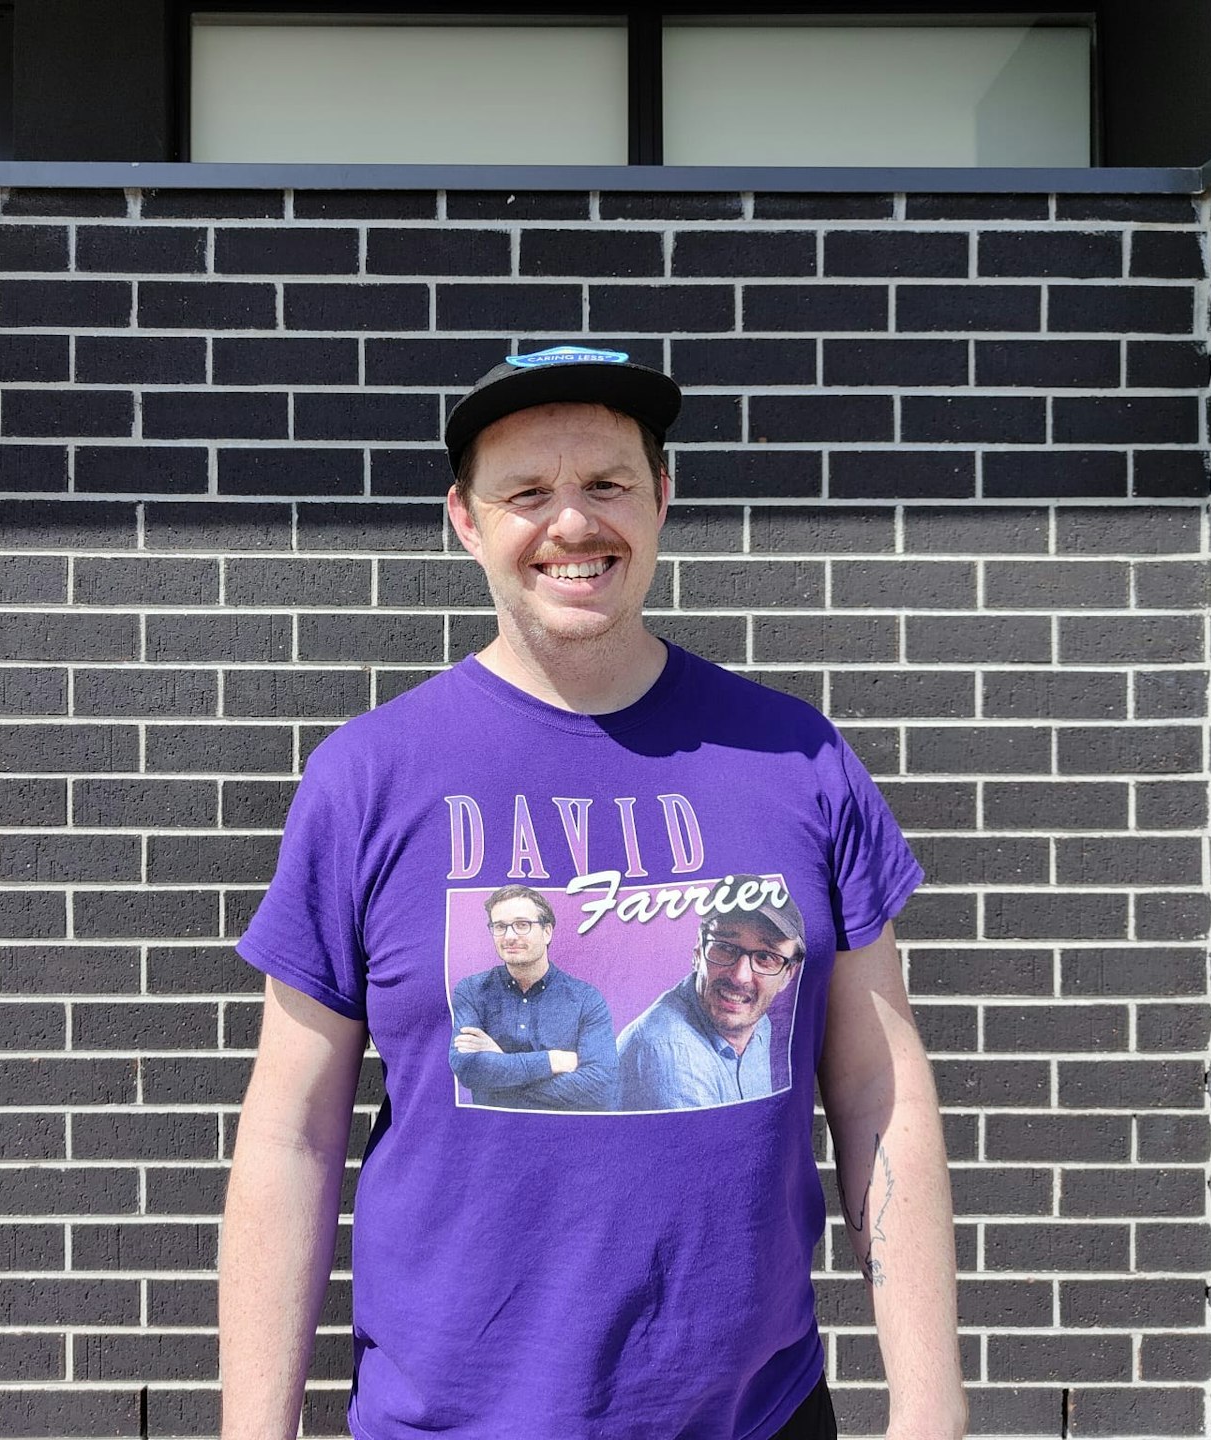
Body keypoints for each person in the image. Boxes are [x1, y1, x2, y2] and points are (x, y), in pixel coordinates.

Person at [221, 345, 965, 1440]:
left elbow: (876, 1086)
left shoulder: (796, 759)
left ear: (662, 496)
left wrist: (932, 1407)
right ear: (465, 521)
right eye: (526, 492)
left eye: (607, 484)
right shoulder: (370, 779)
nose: (572, 523)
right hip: (450, 1424)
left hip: (753, 1416)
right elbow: (290, 1130)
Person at [616, 877, 804, 1111]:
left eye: (765, 957)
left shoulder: (758, 1023)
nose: (740, 976)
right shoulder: (667, 1053)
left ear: (788, 974)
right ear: (698, 949)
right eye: (725, 947)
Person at [448, 883, 617, 1111]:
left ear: (547, 932)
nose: (509, 936)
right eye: (500, 926)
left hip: (562, 1131)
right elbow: (467, 1068)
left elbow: (600, 1089)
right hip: (495, 1130)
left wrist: (500, 1069)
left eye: (522, 925)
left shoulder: (586, 1000)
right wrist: (552, 1060)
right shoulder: (472, 991)